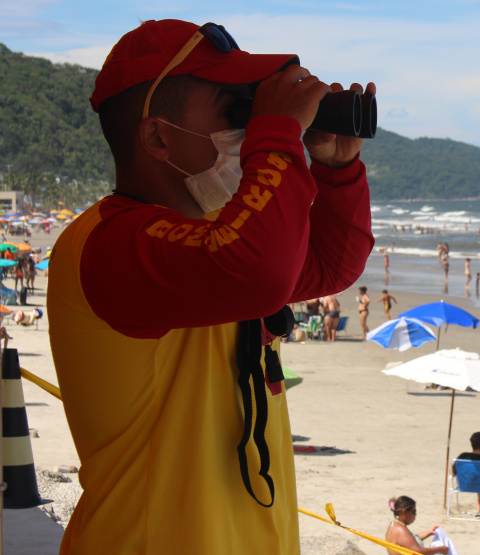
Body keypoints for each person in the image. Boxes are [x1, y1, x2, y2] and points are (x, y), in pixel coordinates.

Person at [46, 19, 375, 553]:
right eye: (234, 112)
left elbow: (326, 267)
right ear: (157, 136)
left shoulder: (217, 237)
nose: (247, 128)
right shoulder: (110, 244)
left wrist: (336, 169)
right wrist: (276, 134)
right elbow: (262, 271)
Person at [385, 496, 452, 555]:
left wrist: (429, 532)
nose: (415, 515)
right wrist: (441, 549)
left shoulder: (394, 524)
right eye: (414, 512)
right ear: (404, 512)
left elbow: (408, 541)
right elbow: (418, 552)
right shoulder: (400, 530)